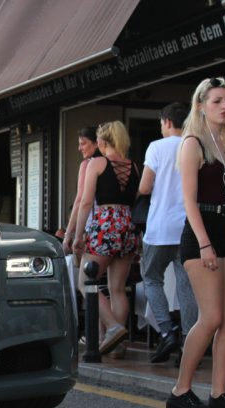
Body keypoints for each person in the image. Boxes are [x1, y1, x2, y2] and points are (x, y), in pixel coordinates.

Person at [166, 76, 225, 408]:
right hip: (201, 231)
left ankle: (219, 393)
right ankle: (180, 390)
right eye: (217, 101)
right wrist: (204, 244)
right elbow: (188, 200)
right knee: (212, 316)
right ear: (200, 105)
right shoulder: (191, 143)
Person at [72, 121, 139, 356]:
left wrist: (78, 235)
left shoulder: (98, 163)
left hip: (105, 224)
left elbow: (86, 202)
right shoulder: (134, 167)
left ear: (101, 141)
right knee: (117, 288)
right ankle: (118, 346)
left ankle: (112, 328)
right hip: (127, 226)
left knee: (85, 283)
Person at [138, 102, 198, 364]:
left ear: (166, 122)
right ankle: (189, 343)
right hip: (188, 226)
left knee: (151, 277)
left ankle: (165, 331)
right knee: (187, 286)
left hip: (160, 227)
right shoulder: (194, 145)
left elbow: (144, 187)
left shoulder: (157, 147)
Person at [62, 126, 102, 256]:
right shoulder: (114, 163)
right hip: (116, 227)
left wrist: (69, 234)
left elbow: (81, 200)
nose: (79, 148)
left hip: (93, 228)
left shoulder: (88, 164)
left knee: (86, 274)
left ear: (96, 143)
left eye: (83, 143)